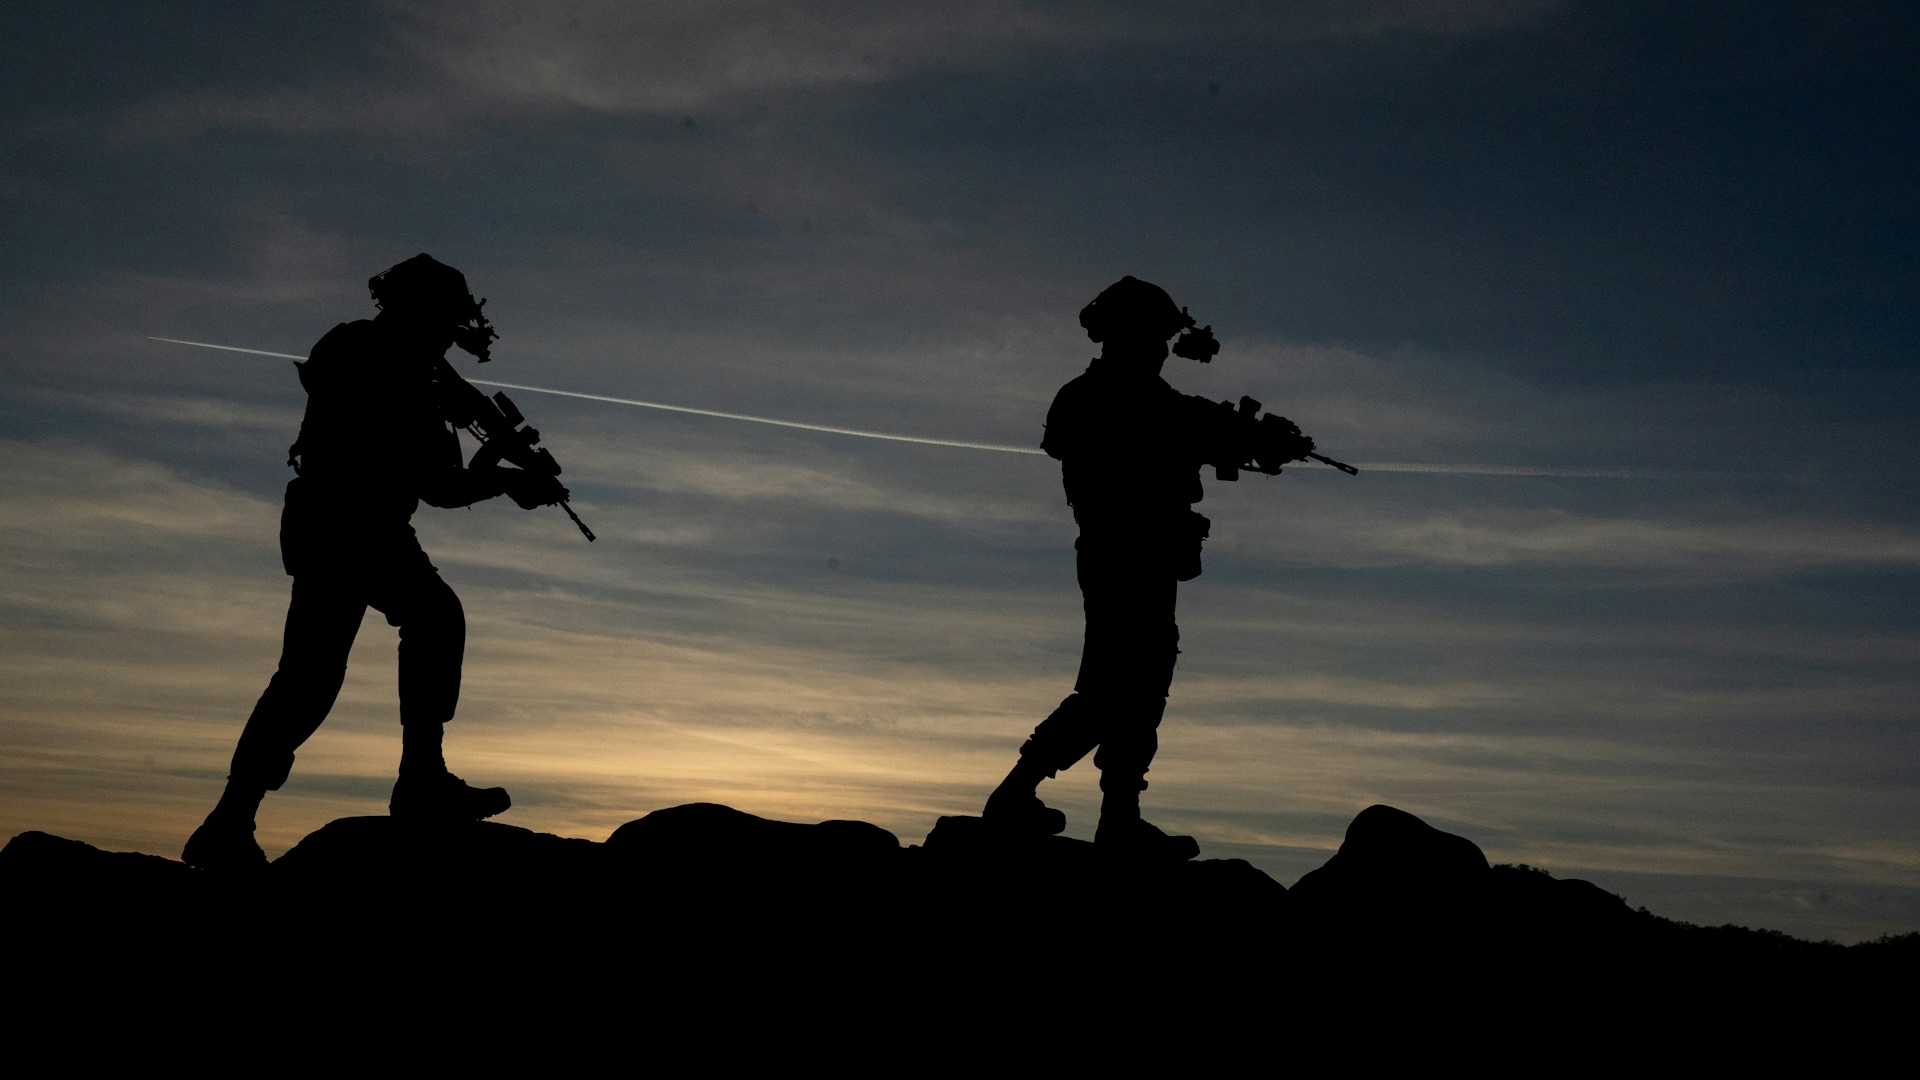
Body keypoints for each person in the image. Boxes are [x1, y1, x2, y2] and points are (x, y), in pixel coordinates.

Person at [182, 254, 570, 870]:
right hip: (353, 525)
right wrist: (504, 478)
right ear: (422, 312)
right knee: (394, 637)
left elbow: (432, 469)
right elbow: (438, 485)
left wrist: (494, 459)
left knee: (318, 674)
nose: (450, 336)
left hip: (344, 524)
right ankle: (416, 783)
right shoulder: (390, 363)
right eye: (444, 321)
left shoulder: (375, 352)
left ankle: (234, 817)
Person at [980, 276, 1310, 860]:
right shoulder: (1113, 399)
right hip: (1124, 558)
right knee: (1118, 688)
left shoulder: (1118, 398)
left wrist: (1246, 438)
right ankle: (1050, 804)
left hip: (1135, 558)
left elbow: (1189, 426)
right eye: (1156, 336)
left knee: (1134, 686)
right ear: (1132, 335)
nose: (1163, 348)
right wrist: (1243, 437)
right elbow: (1171, 425)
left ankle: (1098, 813)